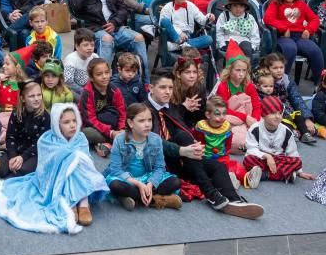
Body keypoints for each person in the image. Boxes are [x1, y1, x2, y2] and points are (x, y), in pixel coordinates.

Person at [144, 69, 264, 218]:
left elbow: (187, 123)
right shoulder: (144, 110)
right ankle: (211, 193)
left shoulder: (172, 108)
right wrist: (183, 149)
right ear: (151, 88)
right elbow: (153, 141)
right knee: (183, 137)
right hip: (157, 161)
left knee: (218, 166)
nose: (168, 92)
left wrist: (190, 144)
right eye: (163, 87)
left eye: (170, 87)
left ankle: (235, 201)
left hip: (183, 160)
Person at [0, 102, 109, 232]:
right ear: (56, 124)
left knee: (78, 167)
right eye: (66, 122)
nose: (72, 125)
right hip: (54, 178)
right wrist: (70, 159)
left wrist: (73, 159)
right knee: (69, 167)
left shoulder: (80, 137)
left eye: (74, 121)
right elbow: (47, 165)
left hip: (78, 174)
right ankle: (69, 203)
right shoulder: (47, 139)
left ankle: (83, 203)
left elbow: (87, 160)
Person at [67, 0, 150, 70]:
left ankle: (145, 82)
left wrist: (114, 23)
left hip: (115, 26)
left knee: (139, 38)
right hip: (94, 28)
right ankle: (101, 79)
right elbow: (75, 6)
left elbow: (123, 8)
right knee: (107, 39)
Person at [104, 102, 183, 211]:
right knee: (115, 185)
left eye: (149, 120)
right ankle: (159, 199)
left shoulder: (156, 139)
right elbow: (116, 169)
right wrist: (139, 185)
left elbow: (159, 167)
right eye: (142, 121)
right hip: (127, 179)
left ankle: (133, 198)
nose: (147, 124)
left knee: (175, 182)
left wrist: (150, 184)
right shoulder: (120, 139)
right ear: (130, 123)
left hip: (147, 177)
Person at [244, 84, 312, 183]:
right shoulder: (255, 129)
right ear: (263, 115)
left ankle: (265, 175)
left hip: (279, 159)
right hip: (262, 158)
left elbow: (292, 153)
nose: (277, 116)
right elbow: (251, 149)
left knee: (297, 162)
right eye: (272, 113)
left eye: (280, 113)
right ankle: (284, 175)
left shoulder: (286, 131)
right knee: (248, 160)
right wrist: (267, 156)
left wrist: (299, 172)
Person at [263, 0, 324, 82]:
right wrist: (283, 28)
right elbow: (268, 18)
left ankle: (320, 83)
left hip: (300, 37)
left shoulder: (301, 4)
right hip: (283, 36)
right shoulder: (275, 3)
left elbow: (315, 19)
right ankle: (282, 82)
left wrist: (309, 30)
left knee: (315, 51)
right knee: (291, 49)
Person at [78, 57, 127, 156]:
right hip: (90, 125)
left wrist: (121, 128)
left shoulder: (114, 90)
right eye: (99, 74)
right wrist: (111, 133)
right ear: (92, 78)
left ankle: (107, 142)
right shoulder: (87, 93)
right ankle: (113, 140)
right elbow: (90, 120)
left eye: (106, 72)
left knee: (132, 125)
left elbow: (122, 111)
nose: (104, 76)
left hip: (109, 122)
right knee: (86, 134)